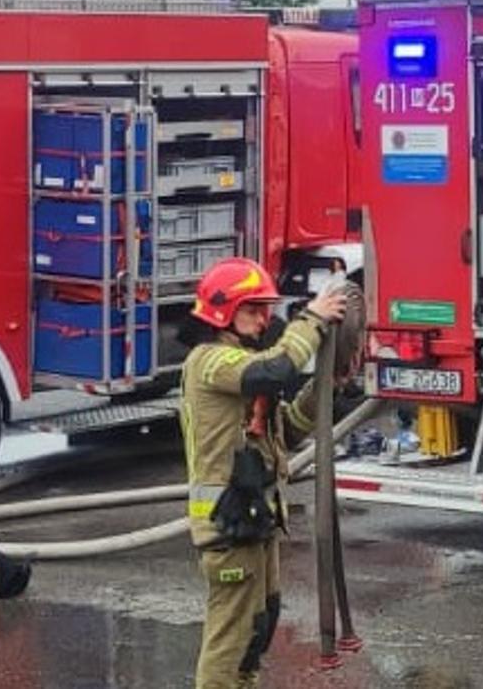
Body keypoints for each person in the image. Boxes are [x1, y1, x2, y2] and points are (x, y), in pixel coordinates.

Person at [180, 257, 348, 689]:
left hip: (255, 519)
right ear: (222, 311)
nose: (264, 318)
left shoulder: (244, 372)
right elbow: (276, 367)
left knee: (259, 627)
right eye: (253, 309)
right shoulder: (210, 362)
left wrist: (323, 388)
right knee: (229, 641)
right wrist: (312, 318)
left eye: (266, 308)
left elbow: (286, 432)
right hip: (227, 523)